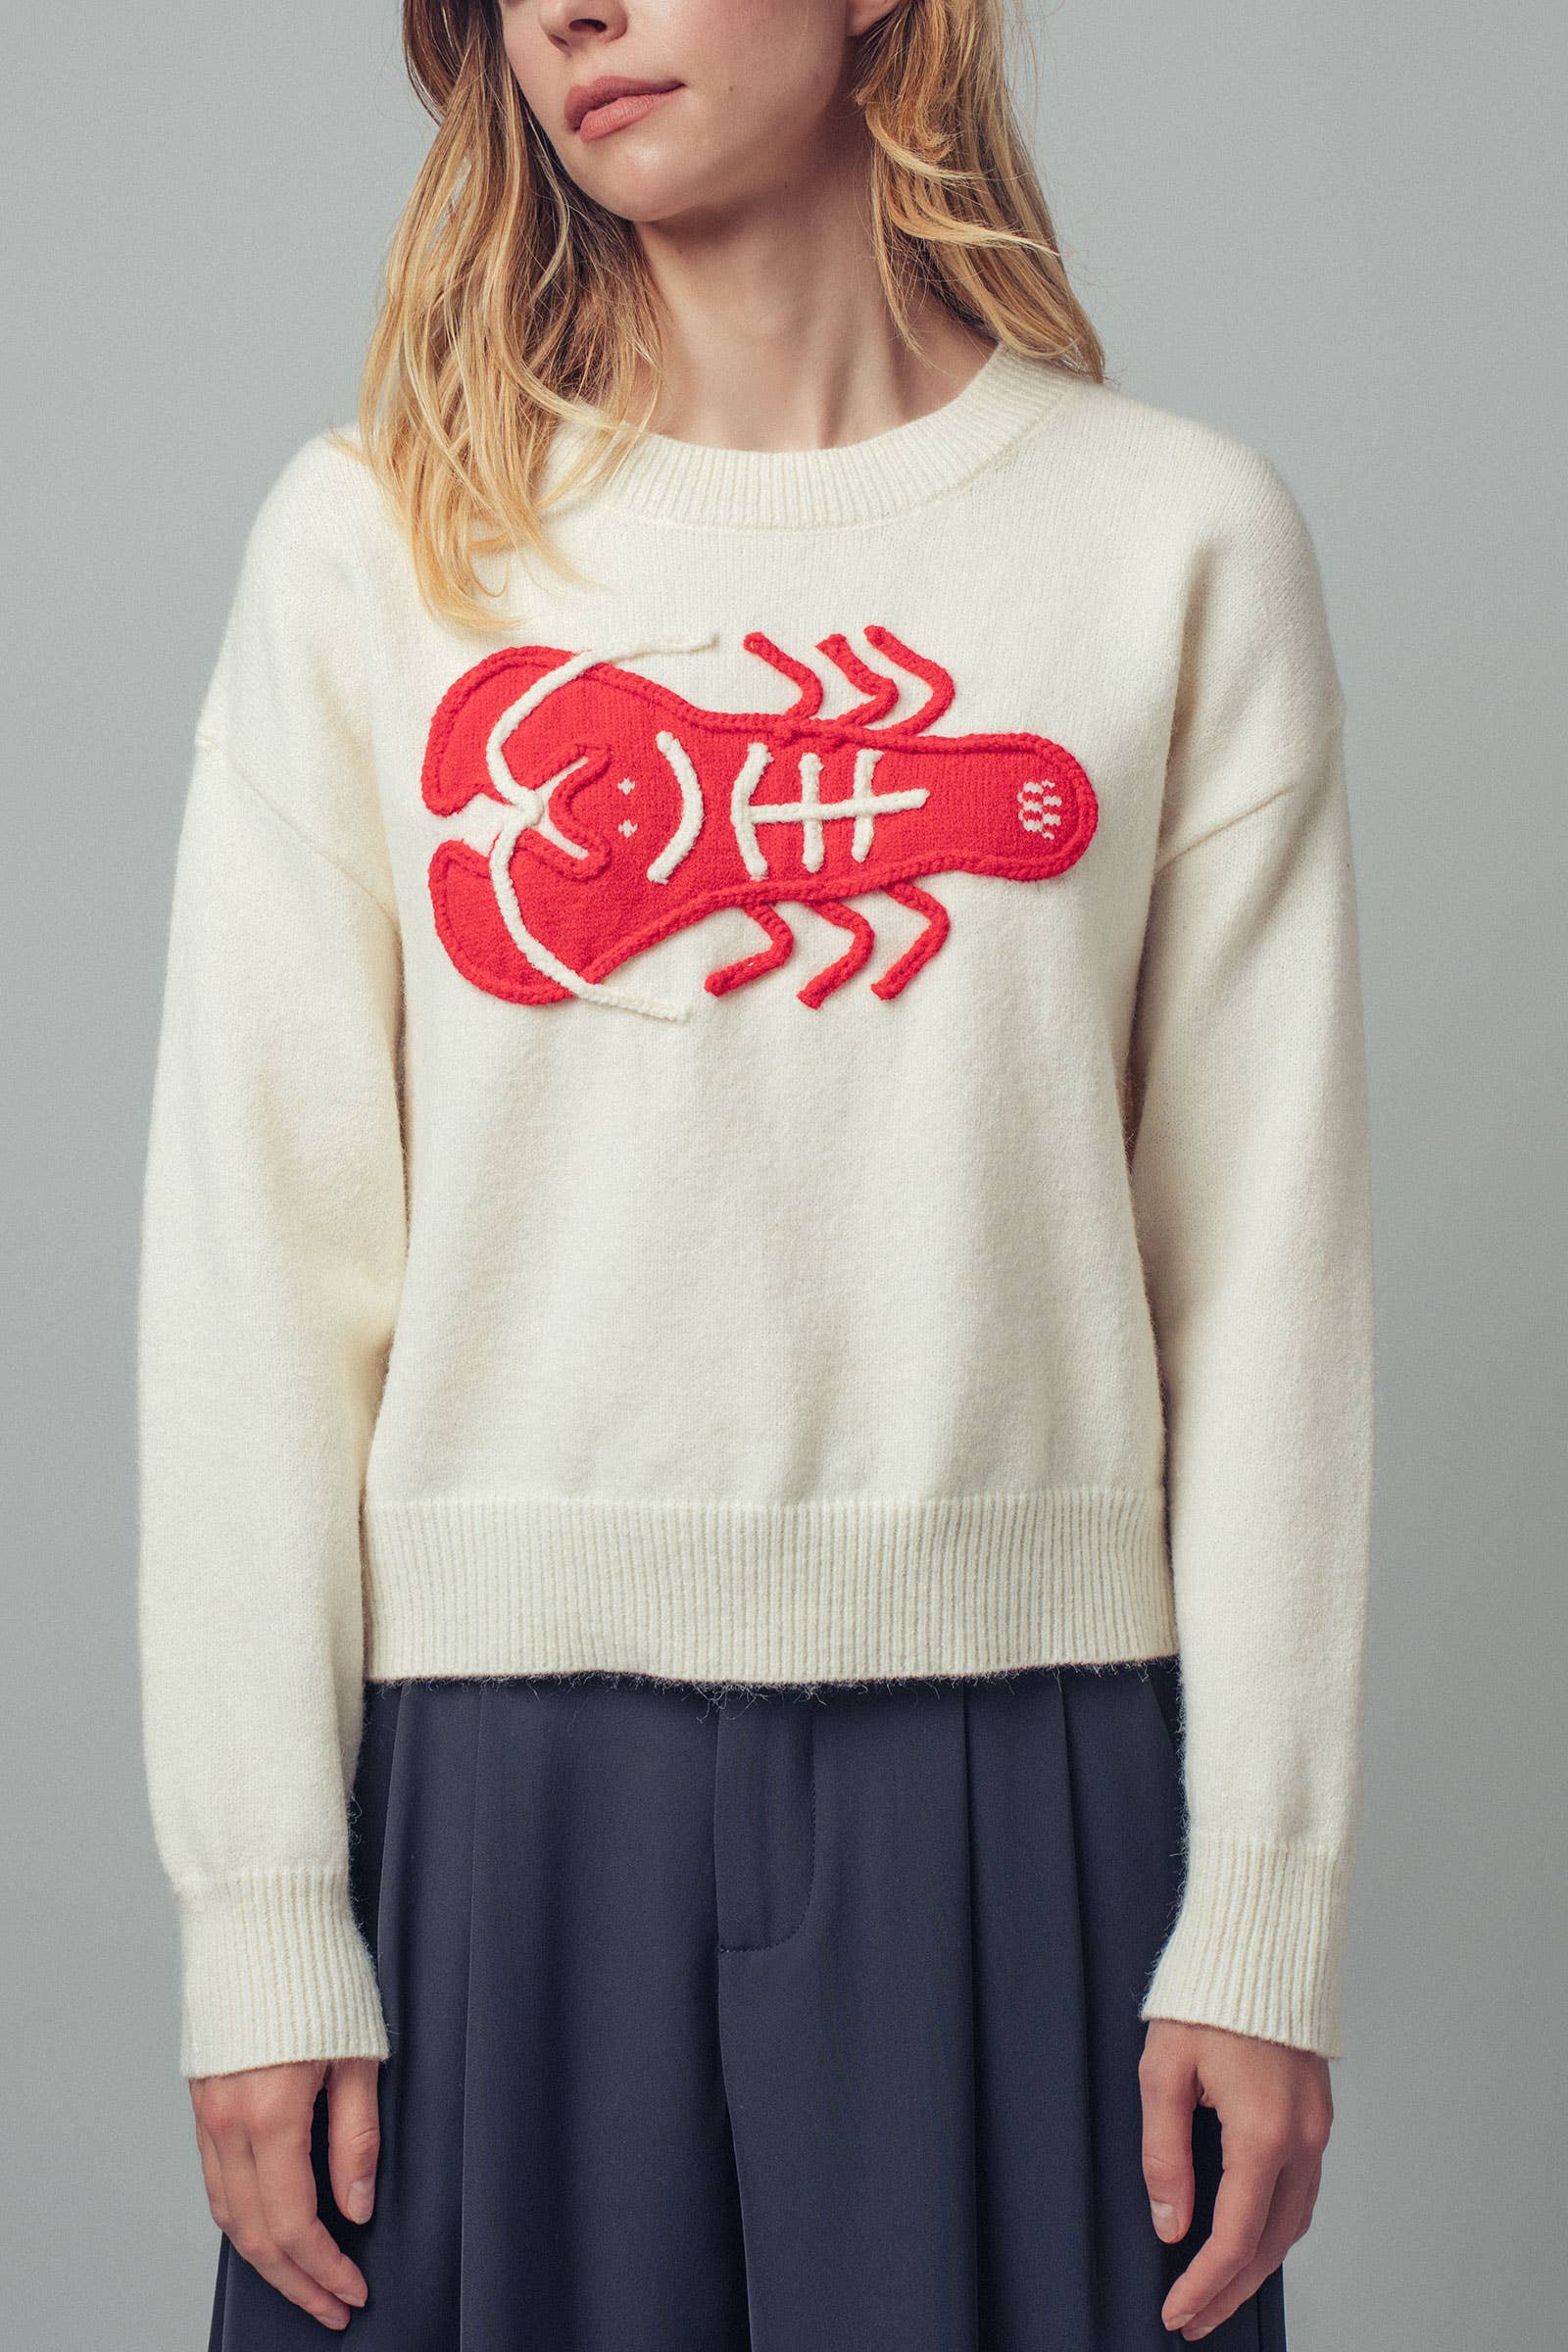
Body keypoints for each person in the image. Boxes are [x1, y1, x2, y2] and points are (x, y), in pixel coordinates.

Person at [135, 2, 1375, 2345]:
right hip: (500, 1786)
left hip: (1029, 1771)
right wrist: (262, 1904)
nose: (571, 14)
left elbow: (1264, 1283)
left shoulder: (1173, 541)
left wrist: (1263, 1902)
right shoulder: (371, 545)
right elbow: (255, 1284)